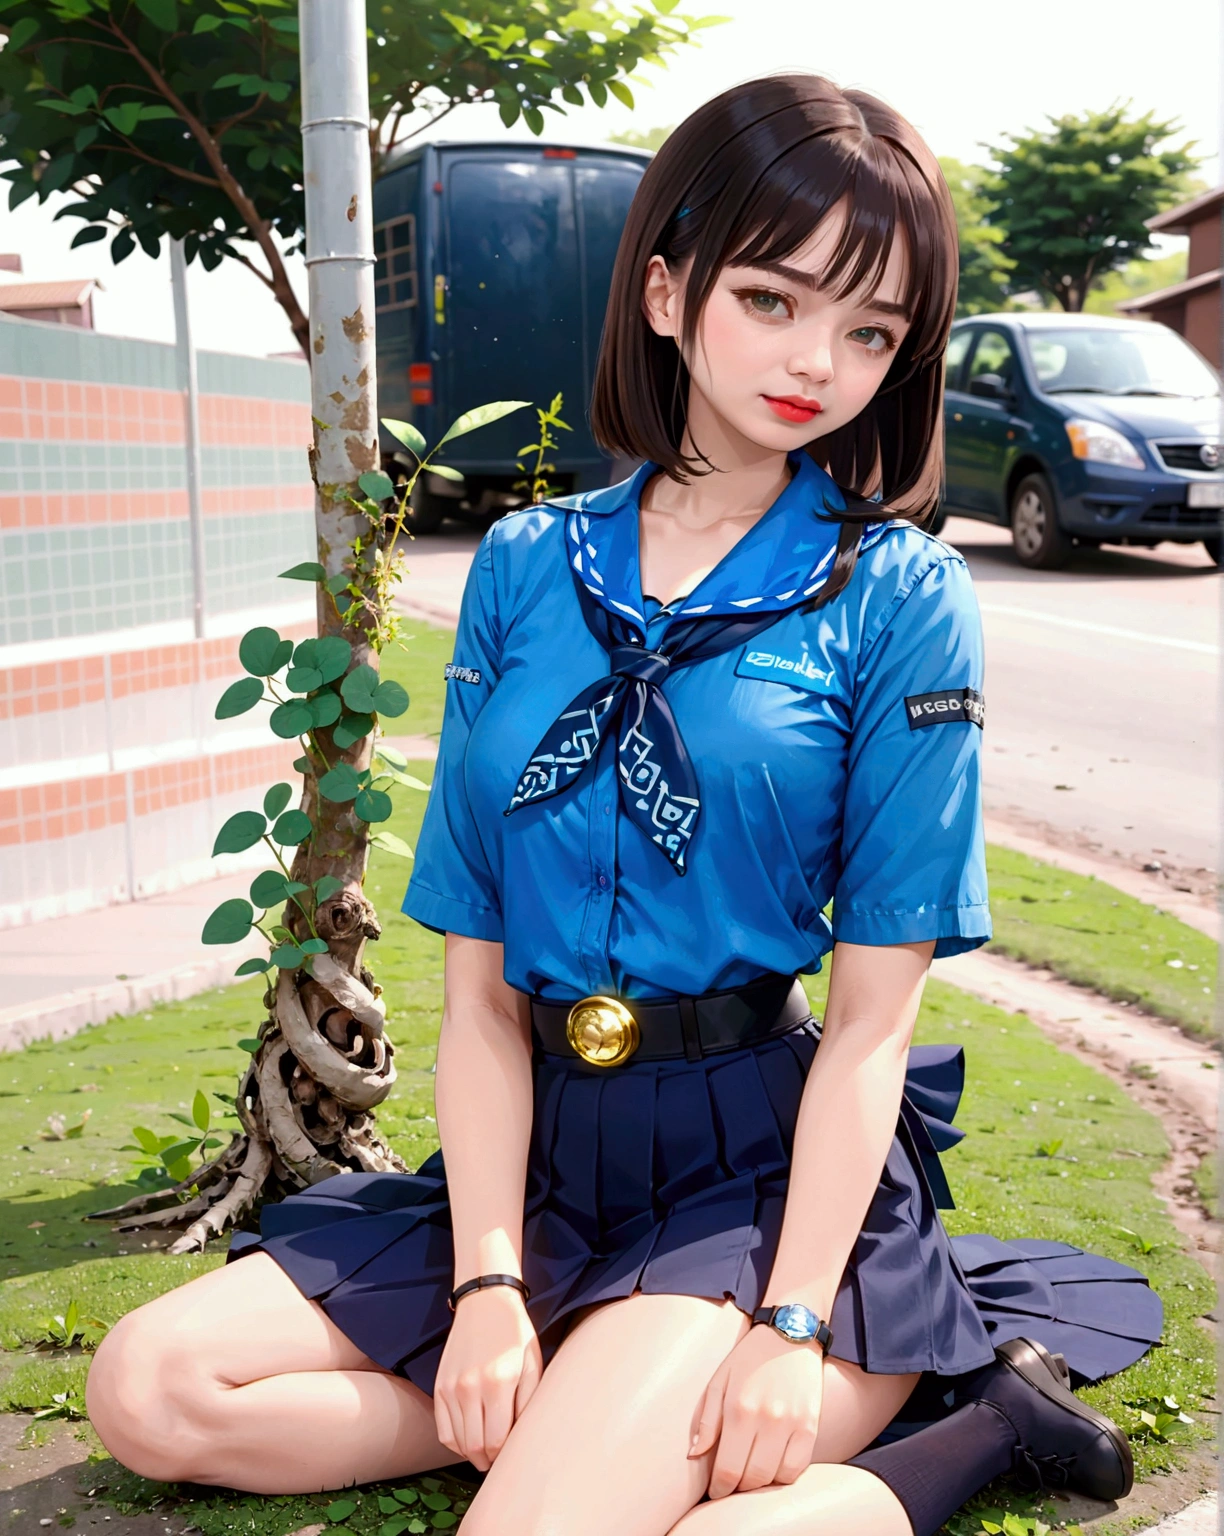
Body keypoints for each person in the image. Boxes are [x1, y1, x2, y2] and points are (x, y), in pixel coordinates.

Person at [86, 74, 1161, 1536]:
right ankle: (607, 1402)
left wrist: (785, 1325)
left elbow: (873, 1023)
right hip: (542, 1154)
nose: (818, 363)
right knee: (153, 1392)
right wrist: (482, 1285)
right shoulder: (527, 567)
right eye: (774, 300)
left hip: (752, 1170)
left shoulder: (900, 594)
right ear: (666, 291)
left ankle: (952, 1422)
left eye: (869, 331)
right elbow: (473, 989)